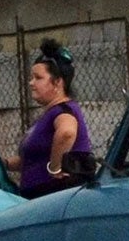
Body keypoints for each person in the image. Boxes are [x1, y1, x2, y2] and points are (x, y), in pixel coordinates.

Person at [6, 38, 92, 199]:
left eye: (38, 78)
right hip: (39, 198)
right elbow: (32, 159)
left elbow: (67, 133)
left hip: (55, 198)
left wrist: (55, 168)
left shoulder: (64, 110)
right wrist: (4, 163)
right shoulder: (48, 115)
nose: (31, 83)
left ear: (57, 82)